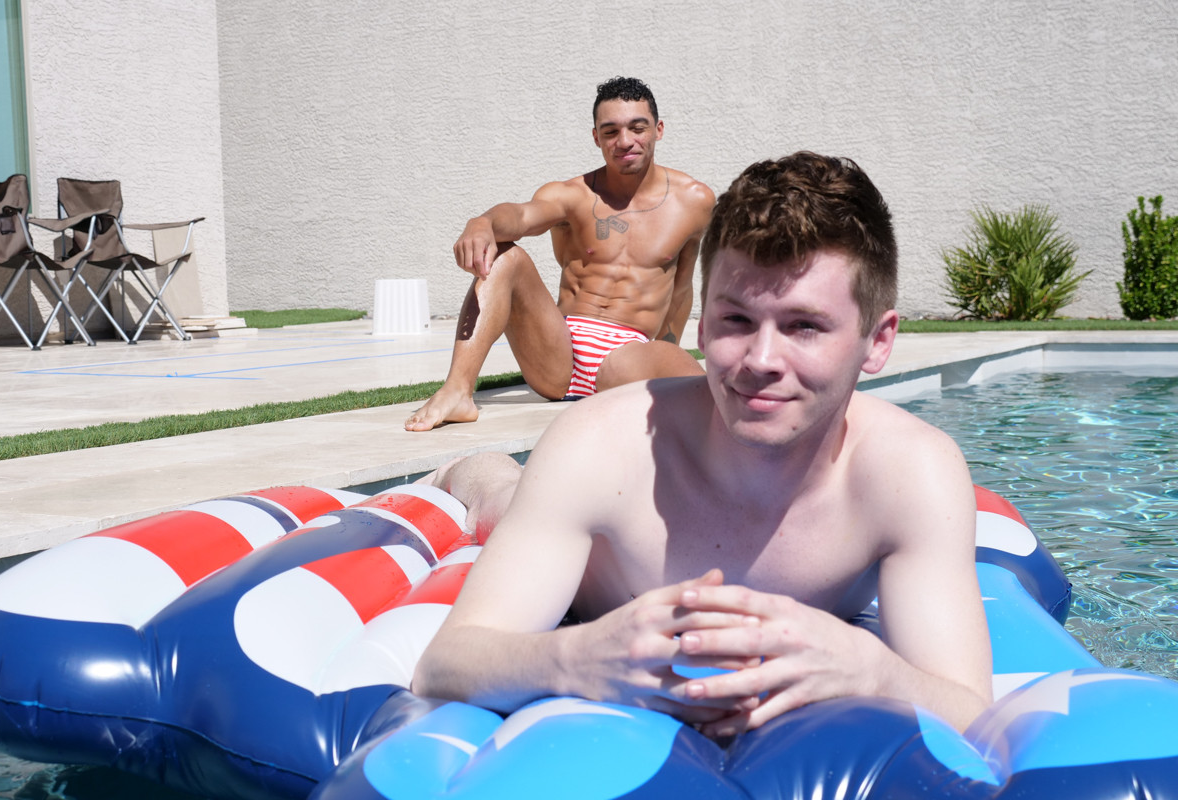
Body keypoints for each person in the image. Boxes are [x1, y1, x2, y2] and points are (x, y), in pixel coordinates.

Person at [412, 151, 993, 736]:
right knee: (502, 497)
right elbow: (443, 666)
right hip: (590, 573)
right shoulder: (602, 446)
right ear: (703, 323)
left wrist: (872, 670)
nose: (761, 360)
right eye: (736, 320)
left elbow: (970, 709)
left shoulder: (910, 473)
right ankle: (468, 469)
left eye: (804, 326)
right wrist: (577, 657)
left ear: (878, 341)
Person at [404, 77, 714, 431]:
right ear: (596, 137)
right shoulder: (572, 194)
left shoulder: (694, 201)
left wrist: (661, 354)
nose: (625, 141)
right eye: (610, 131)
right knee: (506, 257)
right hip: (557, 354)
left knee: (702, 397)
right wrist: (482, 222)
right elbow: (521, 216)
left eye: (637, 128)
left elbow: (681, 289)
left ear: (658, 130)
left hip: (628, 355)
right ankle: (458, 390)